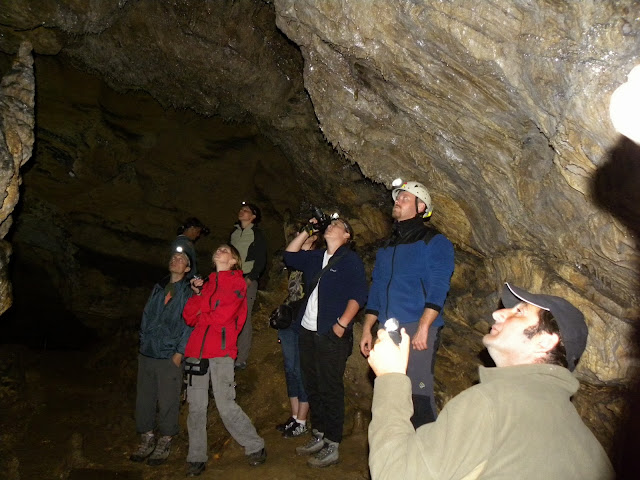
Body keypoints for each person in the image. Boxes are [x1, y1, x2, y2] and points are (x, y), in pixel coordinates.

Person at [367, 283, 615, 479]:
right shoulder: (592, 449)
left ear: (545, 341)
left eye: (519, 312)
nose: (497, 313)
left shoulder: (492, 403)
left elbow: (394, 472)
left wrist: (391, 377)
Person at [360, 180, 454, 427]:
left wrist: (424, 326)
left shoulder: (434, 241)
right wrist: (367, 328)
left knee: (418, 394)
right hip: (388, 328)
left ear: (421, 207)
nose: (398, 201)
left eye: (405, 198)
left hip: (416, 325)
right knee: (390, 393)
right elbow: (378, 287)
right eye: (397, 197)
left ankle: (428, 446)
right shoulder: (386, 247)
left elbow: (439, 285)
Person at [283, 215, 368, 468]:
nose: (331, 226)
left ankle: (333, 443)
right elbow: (289, 256)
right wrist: (307, 229)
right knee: (312, 384)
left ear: (347, 236)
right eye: (329, 224)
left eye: (337, 225)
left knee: (330, 387)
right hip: (307, 331)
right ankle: (319, 433)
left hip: (331, 334)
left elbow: (358, 294)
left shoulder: (350, 259)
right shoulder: (316, 257)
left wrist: (342, 324)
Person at [182, 244, 266, 477]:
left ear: (233, 261)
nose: (219, 251)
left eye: (225, 250)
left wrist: (203, 311)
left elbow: (223, 316)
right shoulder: (206, 285)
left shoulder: (238, 283)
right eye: (217, 249)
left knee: (226, 404)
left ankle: (254, 445)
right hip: (196, 351)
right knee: (196, 408)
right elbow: (188, 316)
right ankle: (196, 457)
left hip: (221, 351)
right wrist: (199, 295)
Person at [129, 250, 193, 466]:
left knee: (168, 399)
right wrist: (143, 341)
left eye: (181, 259)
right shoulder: (158, 288)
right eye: (174, 258)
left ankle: (165, 439)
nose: (176, 260)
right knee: (144, 398)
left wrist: (179, 353)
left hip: (169, 355)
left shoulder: (188, 293)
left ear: (187, 269)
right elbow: (147, 316)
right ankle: (147, 437)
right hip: (148, 352)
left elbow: (189, 324)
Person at [275, 233, 318, 438]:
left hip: (305, 321)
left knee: (301, 370)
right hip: (289, 320)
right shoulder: (294, 261)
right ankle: (294, 416)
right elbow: (289, 253)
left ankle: (301, 420)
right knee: (290, 368)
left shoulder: (318, 260)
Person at [230, 202, 267, 370]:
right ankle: (227, 353)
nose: (242, 211)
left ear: (253, 217)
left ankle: (241, 358)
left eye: (246, 210)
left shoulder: (256, 234)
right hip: (231, 279)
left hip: (246, 279)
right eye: (241, 209)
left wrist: (251, 278)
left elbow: (261, 258)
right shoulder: (234, 233)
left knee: (243, 317)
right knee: (227, 316)